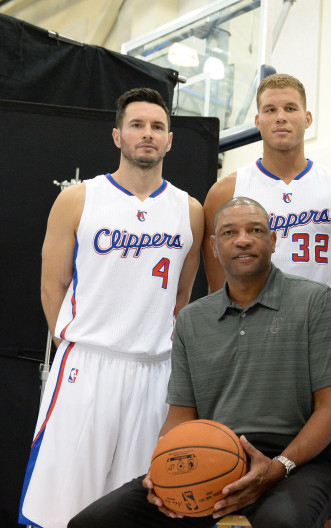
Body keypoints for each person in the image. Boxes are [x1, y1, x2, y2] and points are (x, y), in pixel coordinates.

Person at [69, 196, 331, 528]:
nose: (243, 239)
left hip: (300, 462)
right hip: (210, 458)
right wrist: (162, 473)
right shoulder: (192, 319)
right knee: (92, 523)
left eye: (256, 230)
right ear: (215, 246)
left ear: (274, 240)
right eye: (229, 232)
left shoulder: (315, 301)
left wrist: (278, 468)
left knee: (279, 523)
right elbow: (180, 419)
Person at [19, 87, 204, 528]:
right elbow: (52, 287)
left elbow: (183, 296)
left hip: (156, 372)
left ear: (170, 140)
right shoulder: (79, 199)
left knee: (136, 504)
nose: (147, 134)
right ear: (117, 135)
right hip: (89, 363)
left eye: (157, 127)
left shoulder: (190, 210)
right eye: (137, 125)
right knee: (61, 504)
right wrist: (76, 346)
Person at [203, 73, 331, 316]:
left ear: (308, 118)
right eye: (270, 110)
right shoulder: (225, 192)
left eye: (290, 108)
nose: (280, 117)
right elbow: (218, 287)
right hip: (252, 334)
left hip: (319, 332)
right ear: (257, 121)